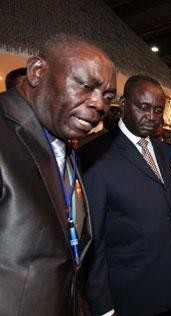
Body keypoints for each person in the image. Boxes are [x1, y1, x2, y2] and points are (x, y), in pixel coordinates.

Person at [0, 33, 116, 315]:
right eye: (86, 86)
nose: (100, 105)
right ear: (38, 72)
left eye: (108, 96)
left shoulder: (60, 140)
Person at [79, 75, 171, 316]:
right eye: (143, 107)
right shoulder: (95, 155)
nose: (152, 117)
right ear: (123, 103)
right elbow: (93, 239)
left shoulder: (165, 152)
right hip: (130, 295)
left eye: (157, 110)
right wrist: (102, 306)